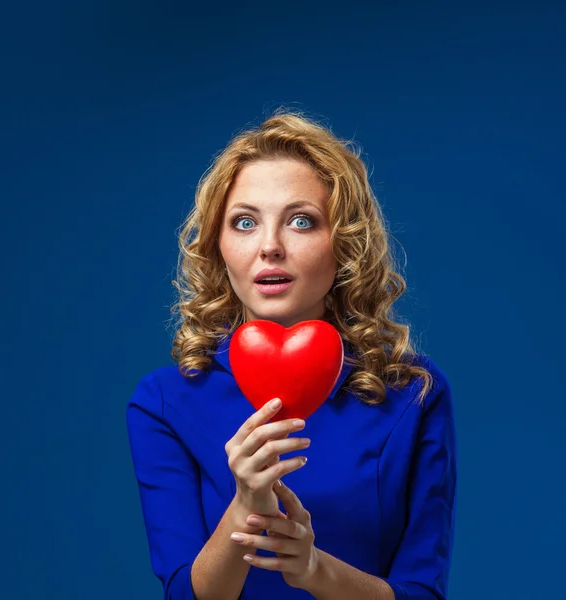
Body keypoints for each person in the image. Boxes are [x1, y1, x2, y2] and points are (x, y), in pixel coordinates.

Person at [126, 109, 458, 600]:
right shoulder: (164, 400)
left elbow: (421, 593)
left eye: (301, 221)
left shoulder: (413, 391)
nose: (270, 247)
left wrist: (312, 568)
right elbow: (186, 594)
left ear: (343, 244)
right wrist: (246, 505)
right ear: (219, 245)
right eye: (244, 222)